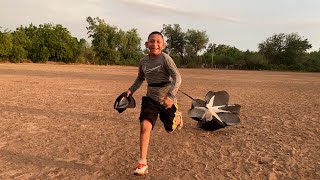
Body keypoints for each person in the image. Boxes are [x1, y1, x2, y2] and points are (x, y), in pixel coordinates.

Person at [126, 31, 182, 175]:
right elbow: (140, 79)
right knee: (145, 126)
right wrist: (130, 91)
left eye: (158, 42)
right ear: (146, 44)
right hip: (150, 98)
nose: (155, 44)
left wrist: (171, 95)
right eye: (152, 41)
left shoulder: (166, 59)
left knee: (170, 129)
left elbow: (177, 77)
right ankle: (142, 163)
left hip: (166, 101)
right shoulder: (143, 61)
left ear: (163, 45)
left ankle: (177, 117)